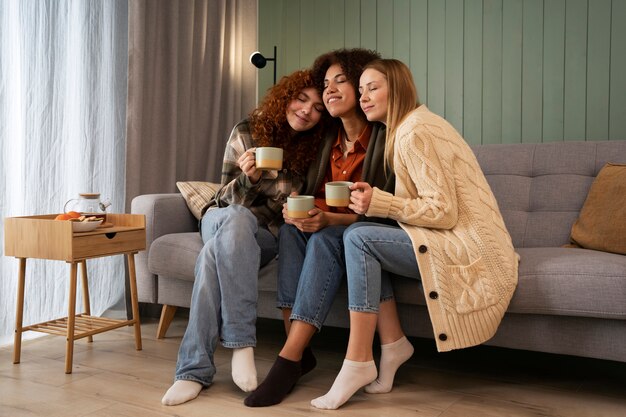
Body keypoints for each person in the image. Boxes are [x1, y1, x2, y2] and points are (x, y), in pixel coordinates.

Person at [311, 59, 519, 410]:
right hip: (456, 237)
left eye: (373, 87)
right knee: (365, 236)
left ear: (399, 87)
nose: (363, 97)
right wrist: (376, 203)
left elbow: (443, 210)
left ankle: (359, 360)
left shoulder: (415, 131)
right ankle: (392, 345)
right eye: (360, 90)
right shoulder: (409, 127)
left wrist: (381, 202)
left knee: (359, 238)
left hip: (468, 245)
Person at [161, 69, 330, 406]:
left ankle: (193, 371)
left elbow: (297, 200)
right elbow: (226, 199)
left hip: (264, 235)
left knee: (212, 257)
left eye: (317, 108)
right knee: (236, 218)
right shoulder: (247, 130)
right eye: (301, 99)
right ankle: (240, 342)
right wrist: (249, 180)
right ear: (286, 97)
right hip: (221, 217)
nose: (307, 111)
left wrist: (283, 195)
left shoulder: (314, 149)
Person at [244, 48, 395, 408]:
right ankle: (295, 344)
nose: (329, 90)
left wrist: (329, 220)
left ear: (361, 87)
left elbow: (384, 217)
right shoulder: (325, 141)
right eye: (325, 83)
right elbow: (310, 199)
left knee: (325, 237)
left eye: (340, 81)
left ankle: (289, 359)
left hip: (364, 233)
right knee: (293, 230)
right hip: (326, 226)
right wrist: (305, 214)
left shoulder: (385, 140)